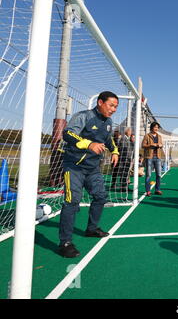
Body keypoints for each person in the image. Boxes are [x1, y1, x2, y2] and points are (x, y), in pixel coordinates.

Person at [58, 91, 120, 258]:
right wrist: (88, 144)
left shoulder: (108, 122)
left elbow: (109, 140)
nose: (114, 109)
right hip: (74, 167)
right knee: (72, 202)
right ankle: (65, 242)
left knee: (100, 197)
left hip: (93, 169)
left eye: (116, 107)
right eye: (111, 105)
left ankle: (91, 229)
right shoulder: (83, 116)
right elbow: (67, 133)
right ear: (100, 102)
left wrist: (115, 151)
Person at [142, 122, 164, 196]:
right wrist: (150, 145)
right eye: (155, 127)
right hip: (149, 157)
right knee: (148, 175)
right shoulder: (147, 136)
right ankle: (148, 191)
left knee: (159, 174)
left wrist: (160, 145)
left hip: (158, 157)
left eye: (157, 127)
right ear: (152, 128)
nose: (156, 128)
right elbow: (143, 145)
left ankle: (157, 189)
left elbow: (161, 145)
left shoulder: (160, 136)